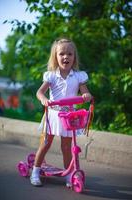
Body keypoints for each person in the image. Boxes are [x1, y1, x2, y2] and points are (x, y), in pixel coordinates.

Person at [30, 38, 92, 187]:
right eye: (62, 54)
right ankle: (35, 171)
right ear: (56, 57)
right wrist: (44, 99)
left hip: (69, 116)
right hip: (53, 114)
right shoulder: (51, 76)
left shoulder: (78, 76)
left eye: (69, 54)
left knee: (66, 147)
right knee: (45, 144)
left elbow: (86, 93)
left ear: (74, 57)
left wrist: (86, 96)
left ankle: (69, 175)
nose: (66, 57)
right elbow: (39, 92)